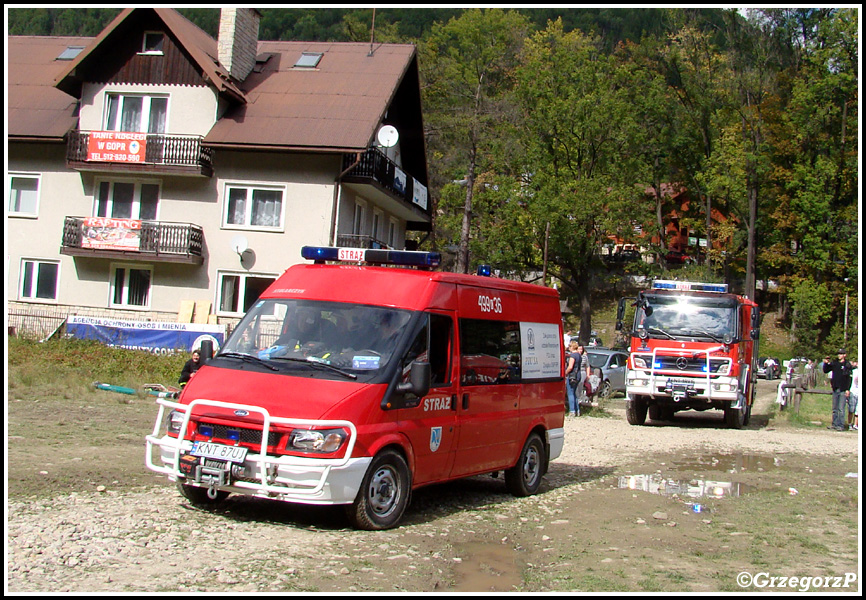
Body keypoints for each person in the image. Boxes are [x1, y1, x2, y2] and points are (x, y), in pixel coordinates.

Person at [822, 349, 853, 431]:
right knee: (835, 408)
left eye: (841, 354)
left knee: (841, 408)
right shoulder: (835, 363)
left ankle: (841, 425)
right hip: (835, 388)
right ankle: (834, 424)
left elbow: (849, 378)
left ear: (844, 355)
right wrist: (825, 363)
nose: (839, 355)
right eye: (838, 354)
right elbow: (826, 370)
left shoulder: (847, 364)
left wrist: (847, 389)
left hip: (843, 389)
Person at [564, 341, 582, 416]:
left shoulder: (573, 356)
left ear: (572, 347)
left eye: (569, 346)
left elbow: (570, 367)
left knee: (570, 393)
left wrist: (566, 372)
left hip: (572, 376)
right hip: (578, 375)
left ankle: (572, 410)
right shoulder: (579, 355)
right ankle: (577, 410)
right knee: (574, 393)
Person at [847, 360, 858, 431]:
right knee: (851, 409)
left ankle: (856, 424)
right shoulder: (854, 371)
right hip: (853, 391)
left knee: (858, 410)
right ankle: (849, 423)